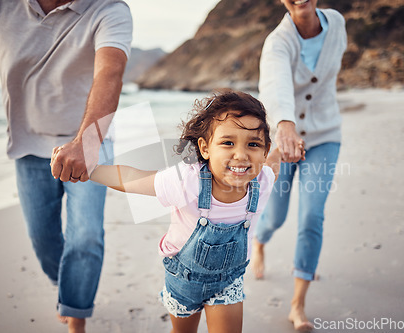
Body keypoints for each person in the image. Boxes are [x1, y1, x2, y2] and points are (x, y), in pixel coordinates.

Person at [0, 1, 132, 332]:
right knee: (43, 238)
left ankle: (76, 314)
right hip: (29, 144)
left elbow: (110, 73)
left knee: (86, 235)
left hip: (91, 141)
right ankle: (68, 289)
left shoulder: (109, 8)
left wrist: (85, 143)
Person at [76, 90, 286, 333]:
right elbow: (134, 179)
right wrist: (88, 169)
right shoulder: (187, 180)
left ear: (264, 150)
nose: (241, 154)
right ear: (205, 148)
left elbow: (273, 164)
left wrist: (283, 149)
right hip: (184, 280)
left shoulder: (264, 179)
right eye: (228, 142)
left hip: (228, 282)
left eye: (253, 144)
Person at [251, 0, 347, 331]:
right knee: (274, 216)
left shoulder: (337, 24)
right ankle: (260, 241)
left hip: (325, 136)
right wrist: (285, 125)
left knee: (311, 216)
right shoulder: (278, 41)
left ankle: (297, 304)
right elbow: (274, 83)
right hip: (283, 139)